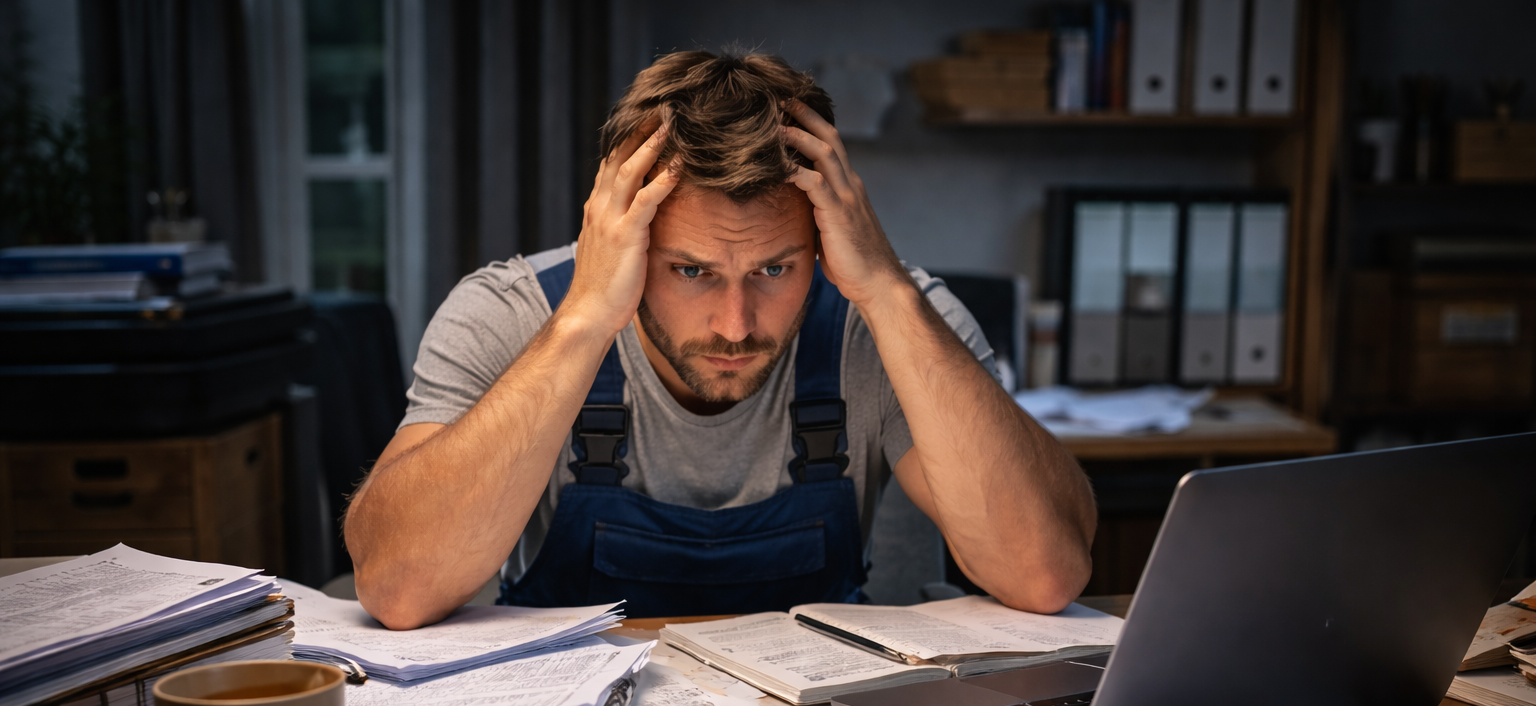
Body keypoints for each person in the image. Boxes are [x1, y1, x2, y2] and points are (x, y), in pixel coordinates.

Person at [345, 50, 1095, 629]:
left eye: (775, 267)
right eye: (692, 271)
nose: (736, 325)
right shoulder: (507, 313)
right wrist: (582, 322)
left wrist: (889, 291)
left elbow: (1043, 572)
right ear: (623, 235)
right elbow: (397, 586)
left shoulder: (894, 317)